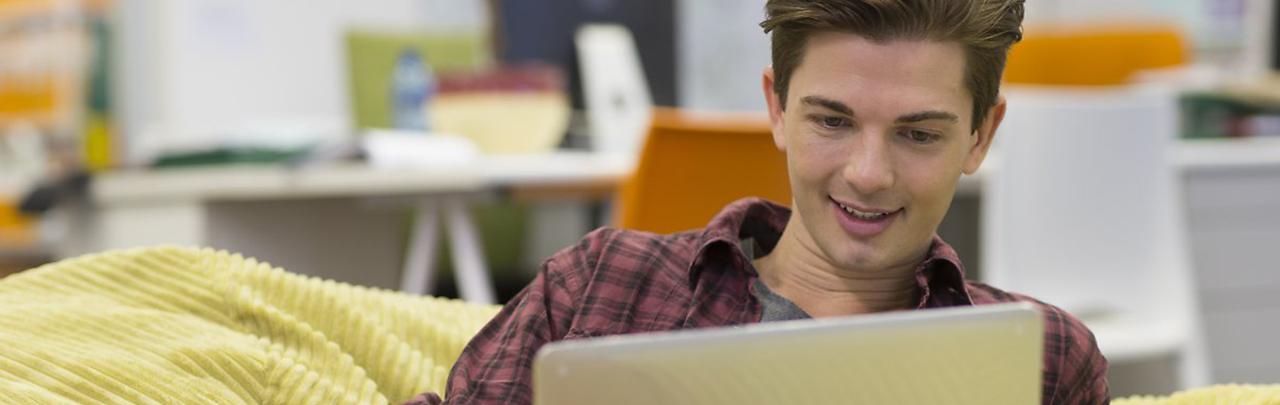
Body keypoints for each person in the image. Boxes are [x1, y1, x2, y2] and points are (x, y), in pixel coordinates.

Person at [410, 0, 1108, 403]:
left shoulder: (1045, 358)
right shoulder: (600, 284)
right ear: (776, 107)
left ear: (982, 135)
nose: (868, 174)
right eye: (832, 121)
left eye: (918, 133)